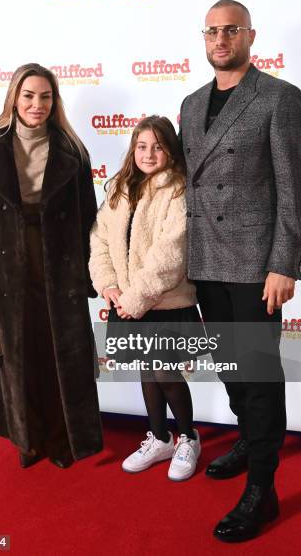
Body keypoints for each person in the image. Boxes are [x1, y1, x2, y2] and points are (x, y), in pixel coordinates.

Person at [179, 0, 301, 541]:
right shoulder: (189, 104)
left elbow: (293, 187)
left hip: (256, 267)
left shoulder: (279, 97)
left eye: (230, 30)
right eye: (211, 31)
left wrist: (284, 263)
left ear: (250, 35)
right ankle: (248, 439)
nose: (220, 39)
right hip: (206, 261)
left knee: (257, 377)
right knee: (231, 370)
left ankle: (264, 487)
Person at [0, 63, 103, 469]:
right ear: (14, 98)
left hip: (60, 267)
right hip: (5, 268)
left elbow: (87, 218)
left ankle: (60, 440)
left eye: (45, 96)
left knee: (59, 355)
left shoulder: (72, 151)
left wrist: (91, 276)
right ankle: (26, 438)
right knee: (17, 356)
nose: (37, 104)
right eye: (29, 95)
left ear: (54, 101)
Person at [89, 115, 202, 481]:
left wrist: (134, 298)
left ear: (170, 149)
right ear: (132, 149)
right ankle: (159, 437)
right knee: (146, 370)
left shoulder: (179, 189)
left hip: (162, 301)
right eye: (141, 146)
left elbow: (171, 255)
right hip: (126, 300)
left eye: (157, 146)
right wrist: (108, 285)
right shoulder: (120, 188)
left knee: (164, 371)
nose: (149, 153)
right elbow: (100, 239)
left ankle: (188, 437)